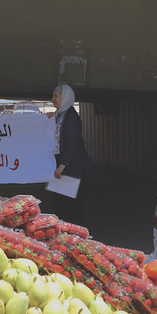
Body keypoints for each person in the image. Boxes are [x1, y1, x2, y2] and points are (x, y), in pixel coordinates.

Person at [48, 84, 93, 225]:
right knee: (61, 205)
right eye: (53, 96)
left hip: (69, 167)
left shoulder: (72, 117)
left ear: (65, 97)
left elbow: (72, 144)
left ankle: (75, 239)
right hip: (59, 165)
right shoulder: (60, 115)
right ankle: (64, 237)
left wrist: (61, 166)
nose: (52, 99)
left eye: (56, 96)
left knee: (70, 207)